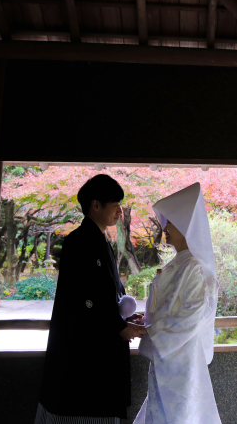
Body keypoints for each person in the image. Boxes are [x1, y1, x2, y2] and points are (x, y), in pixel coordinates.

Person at [36, 174, 147, 423]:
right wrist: (120, 327)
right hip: (85, 350)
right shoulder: (80, 241)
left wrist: (128, 318)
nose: (120, 211)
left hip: (97, 343)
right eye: (115, 204)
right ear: (95, 205)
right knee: (84, 408)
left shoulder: (97, 239)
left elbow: (107, 294)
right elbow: (87, 298)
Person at [134, 182, 221, 424]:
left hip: (182, 357)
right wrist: (149, 322)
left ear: (186, 226)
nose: (165, 227)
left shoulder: (193, 266)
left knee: (180, 414)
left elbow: (193, 316)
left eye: (170, 222)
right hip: (169, 354)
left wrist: (151, 328)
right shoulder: (182, 263)